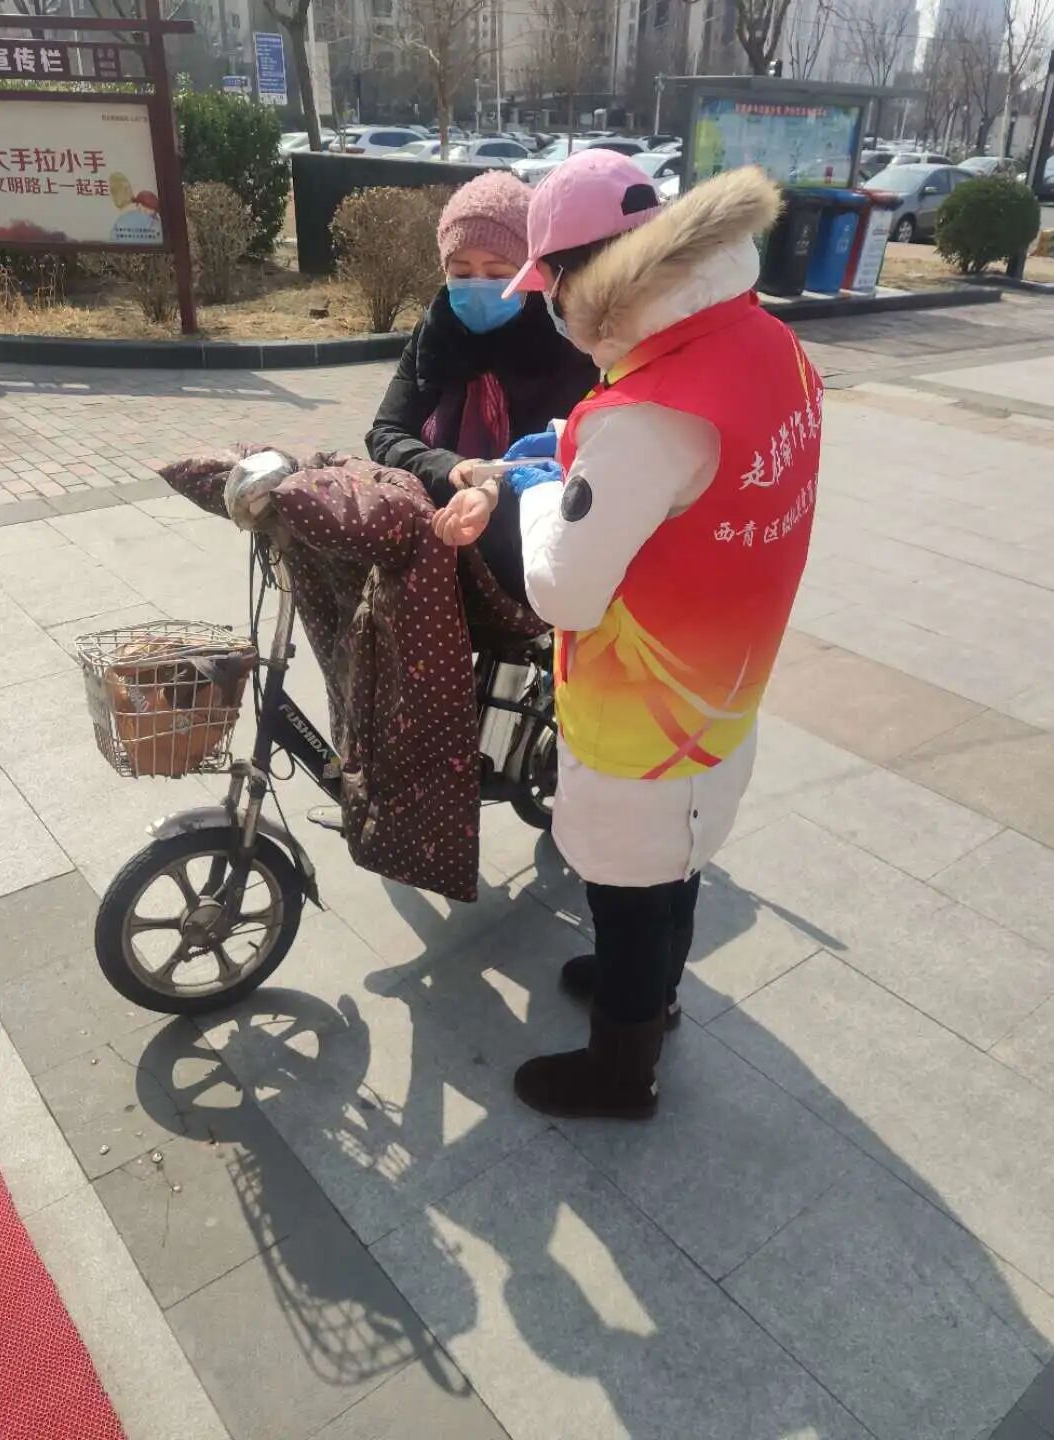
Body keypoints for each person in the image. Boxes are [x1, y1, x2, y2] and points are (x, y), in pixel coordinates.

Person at [434, 152, 824, 1121]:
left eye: (549, 287)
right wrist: (568, 453)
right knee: (675, 867)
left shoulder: (649, 418)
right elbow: (672, 476)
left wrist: (522, 495)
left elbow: (564, 590)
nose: (549, 309)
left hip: (649, 714)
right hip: (723, 684)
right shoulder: (765, 341)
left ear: (584, 280)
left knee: (631, 890)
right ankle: (649, 991)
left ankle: (623, 1069)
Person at [366, 170, 596, 606]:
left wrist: (492, 487)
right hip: (436, 548)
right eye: (461, 271)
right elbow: (386, 434)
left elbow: (575, 461)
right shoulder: (434, 337)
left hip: (529, 560)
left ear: (531, 275)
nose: (477, 287)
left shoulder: (568, 348)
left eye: (497, 273)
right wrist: (451, 467)